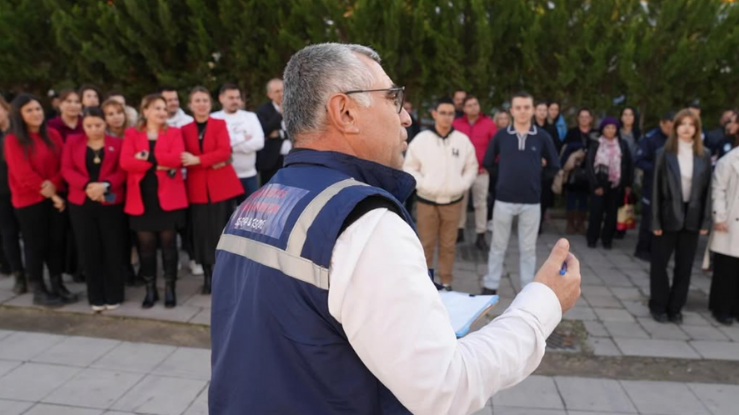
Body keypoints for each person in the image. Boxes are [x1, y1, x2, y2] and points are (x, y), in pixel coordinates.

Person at [209, 42, 581, 415]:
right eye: (392, 99)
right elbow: (445, 388)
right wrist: (542, 304)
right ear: (345, 112)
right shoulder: (363, 221)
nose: (405, 117)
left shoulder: (253, 206)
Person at [482, 92, 560, 295]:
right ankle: (491, 284)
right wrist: (504, 177)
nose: (522, 111)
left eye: (526, 107)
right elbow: (488, 162)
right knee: (498, 245)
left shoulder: (542, 137)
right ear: (512, 110)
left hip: (531, 201)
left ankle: (527, 289)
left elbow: (554, 165)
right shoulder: (501, 136)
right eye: (518, 107)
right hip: (504, 199)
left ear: (533, 110)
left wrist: (536, 177)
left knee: (528, 249)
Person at [4, 94, 77, 307]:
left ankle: (57, 284)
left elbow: (63, 164)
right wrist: (52, 193)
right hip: (29, 200)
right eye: (29, 110)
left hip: (55, 197)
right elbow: (23, 174)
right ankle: (38, 288)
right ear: (19, 115)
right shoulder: (13, 139)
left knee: (56, 242)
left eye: (37, 109)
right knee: (36, 245)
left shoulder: (53, 134)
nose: (35, 113)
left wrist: (54, 185)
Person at [121, 94, 188, 309]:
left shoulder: (174, 132)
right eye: (157, 108)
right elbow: (125, 162)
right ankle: (150, 289)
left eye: (164, 108)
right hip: (141, 199)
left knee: (169, 247)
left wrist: (147, 157)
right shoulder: (132, 134)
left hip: (168, 198)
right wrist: (159, 163)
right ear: (145, 110)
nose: (162, 112)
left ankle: (170, 289)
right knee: (146, 248)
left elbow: (176, 159)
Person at [404, 97, 477, 290]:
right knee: (425, 244)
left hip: (453, 202)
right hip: (427, 201)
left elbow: (472, 167)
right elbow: (409, 166)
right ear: (434, 114)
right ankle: (426, 283)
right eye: (443, 113)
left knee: (448, 245)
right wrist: (425, 184)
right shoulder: (422, 140)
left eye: (450, 113)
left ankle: (446, 282)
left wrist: (461, 184)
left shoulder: (462, 141)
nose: (447, 117)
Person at [62, 107, 127, 311]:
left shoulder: (117, 143)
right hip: (82, 202)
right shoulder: (73, 142)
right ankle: (95, 295)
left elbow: (122, 171)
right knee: (89, 248)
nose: (94, 129)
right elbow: (66, 169)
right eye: (89, 125)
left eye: (98, 125)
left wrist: (104, 185)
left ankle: (114, 293)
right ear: (83, 125)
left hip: (110, 200)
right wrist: (88, 186)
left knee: (112, 248)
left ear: (105, 123)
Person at [650, 109, 711, 324]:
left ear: (697, 128)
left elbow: (708, 191)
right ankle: (658, 305)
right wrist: (655, 221)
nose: (686, 128)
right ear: (675, 127)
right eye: (682, 123)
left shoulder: (704, 156)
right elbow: (655, 190)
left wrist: (705, 221)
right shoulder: (663, 154)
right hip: (667, 215)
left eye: (691, 124)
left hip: (692, 216)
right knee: (659, 264)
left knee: (684, 266)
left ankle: (675, 308)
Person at [181, 87, 243, 294]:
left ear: (210, 103)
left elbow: (224, 151)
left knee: (221, 233)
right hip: (197, 189)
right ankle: (208, 277)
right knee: (201, 235)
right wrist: (213, 161)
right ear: (190, 105)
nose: (201, 104)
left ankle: (223, 275)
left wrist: (199, 160)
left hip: (221, 188)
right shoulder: (184, 130)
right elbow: (183, 159)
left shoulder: (219, 124)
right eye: (197, 100)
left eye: (205, 100)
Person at [452, 95, 496, 250]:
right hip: (461, 172)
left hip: (480, 172)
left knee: (480, 204)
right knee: (459, 203)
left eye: (475, 104)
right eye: (469, 105)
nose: (473, 107)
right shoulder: (456, 124)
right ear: (464, 108)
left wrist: (489, 165)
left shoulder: (489, 124)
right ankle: (459, 231)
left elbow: (495, 147)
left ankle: (481, 235)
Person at [585, 117, 634, 249]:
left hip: (616, 184)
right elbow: (589, 165)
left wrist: (628, 184)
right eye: (607, 127)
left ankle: (607, 239)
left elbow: (628, 165)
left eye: (613, 127)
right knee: (596, 213)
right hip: (599, 184)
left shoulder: (622, 144)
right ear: (602, 129)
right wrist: (595, 185)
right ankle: (592, 238)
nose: (610, 130)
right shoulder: (596, 143)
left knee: (612, 215)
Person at [211, 83, 265, 200]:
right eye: (231, 98)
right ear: (221, 98)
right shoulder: (214, 118)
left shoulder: (250, 117)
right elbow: (214, 146)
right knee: (227, 215)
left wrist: (230, 147)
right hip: (224, 176)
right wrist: (243, 138)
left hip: (249, 175)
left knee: (251, 213)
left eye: (237, 97)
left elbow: (259, 142)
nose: (235, 101)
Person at [634, 112, 674, 261]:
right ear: (661, 123)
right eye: (668, 127)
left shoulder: (675, 139)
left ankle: (655, 249)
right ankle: (642, 249)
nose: (671, 131)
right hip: (651, 185)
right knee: (648, 218)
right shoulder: (650, 139)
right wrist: (657, 169)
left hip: (669, 189)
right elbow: (639, 160)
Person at [708, 143, 739, 325]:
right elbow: (718, 189)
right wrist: (719, 216)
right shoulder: (729, 160)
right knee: (726, 268)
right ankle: (721, 308)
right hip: (730, 221)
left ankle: (736, 308)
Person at [0, 96, 25, 293]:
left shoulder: (20, 131)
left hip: (24, 190)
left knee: (31, 235)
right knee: (9, 234)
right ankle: (18, 274)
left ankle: (36, 275)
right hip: (2, 193)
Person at [561, 108, 596, 234]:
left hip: (589, 170)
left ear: (591, 119)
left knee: (583, 198)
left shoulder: (595, 133)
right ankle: (570, 223)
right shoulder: (572, 133)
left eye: (587, 116)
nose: (584, 119)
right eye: (581, 116)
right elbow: (565, 150)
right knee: (571, 197)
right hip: (573, 170)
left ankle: (581, 223)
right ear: (578, 118)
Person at [255, 78, 290, 185]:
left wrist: (279, 134)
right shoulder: (262, 111)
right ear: (270, 95)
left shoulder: (295, 108)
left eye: (283, 90)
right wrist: (280, 113)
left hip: (291, 159)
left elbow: (300, 131)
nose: (282, 94)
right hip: (272, 160)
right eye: (277, 91)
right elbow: (264, 131)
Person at [534, 101, 560, 234]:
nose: (542, 112)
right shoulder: (530, 127)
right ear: (534, 111)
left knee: (544, 196)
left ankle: (539, 223)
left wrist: (548, 160)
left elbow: (556, 148)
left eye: (545, 110)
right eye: (540, 109)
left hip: (547, 169)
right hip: (531, 168)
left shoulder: (552, 128)